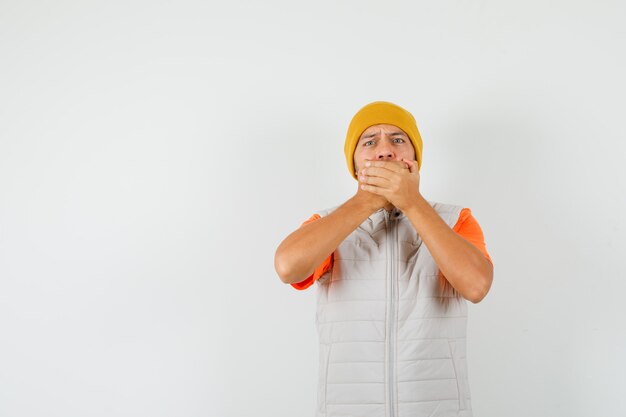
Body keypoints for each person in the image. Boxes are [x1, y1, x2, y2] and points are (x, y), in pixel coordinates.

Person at [274, 101, 493, 417]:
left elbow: (476, 286)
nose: (385, 151)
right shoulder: (327, 223)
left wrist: (412, 202)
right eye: (370, 141)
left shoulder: (455, 219)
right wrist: (365, 202)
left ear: (415, 156)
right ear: (354, 161)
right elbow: (287, 267)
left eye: (398, 139)